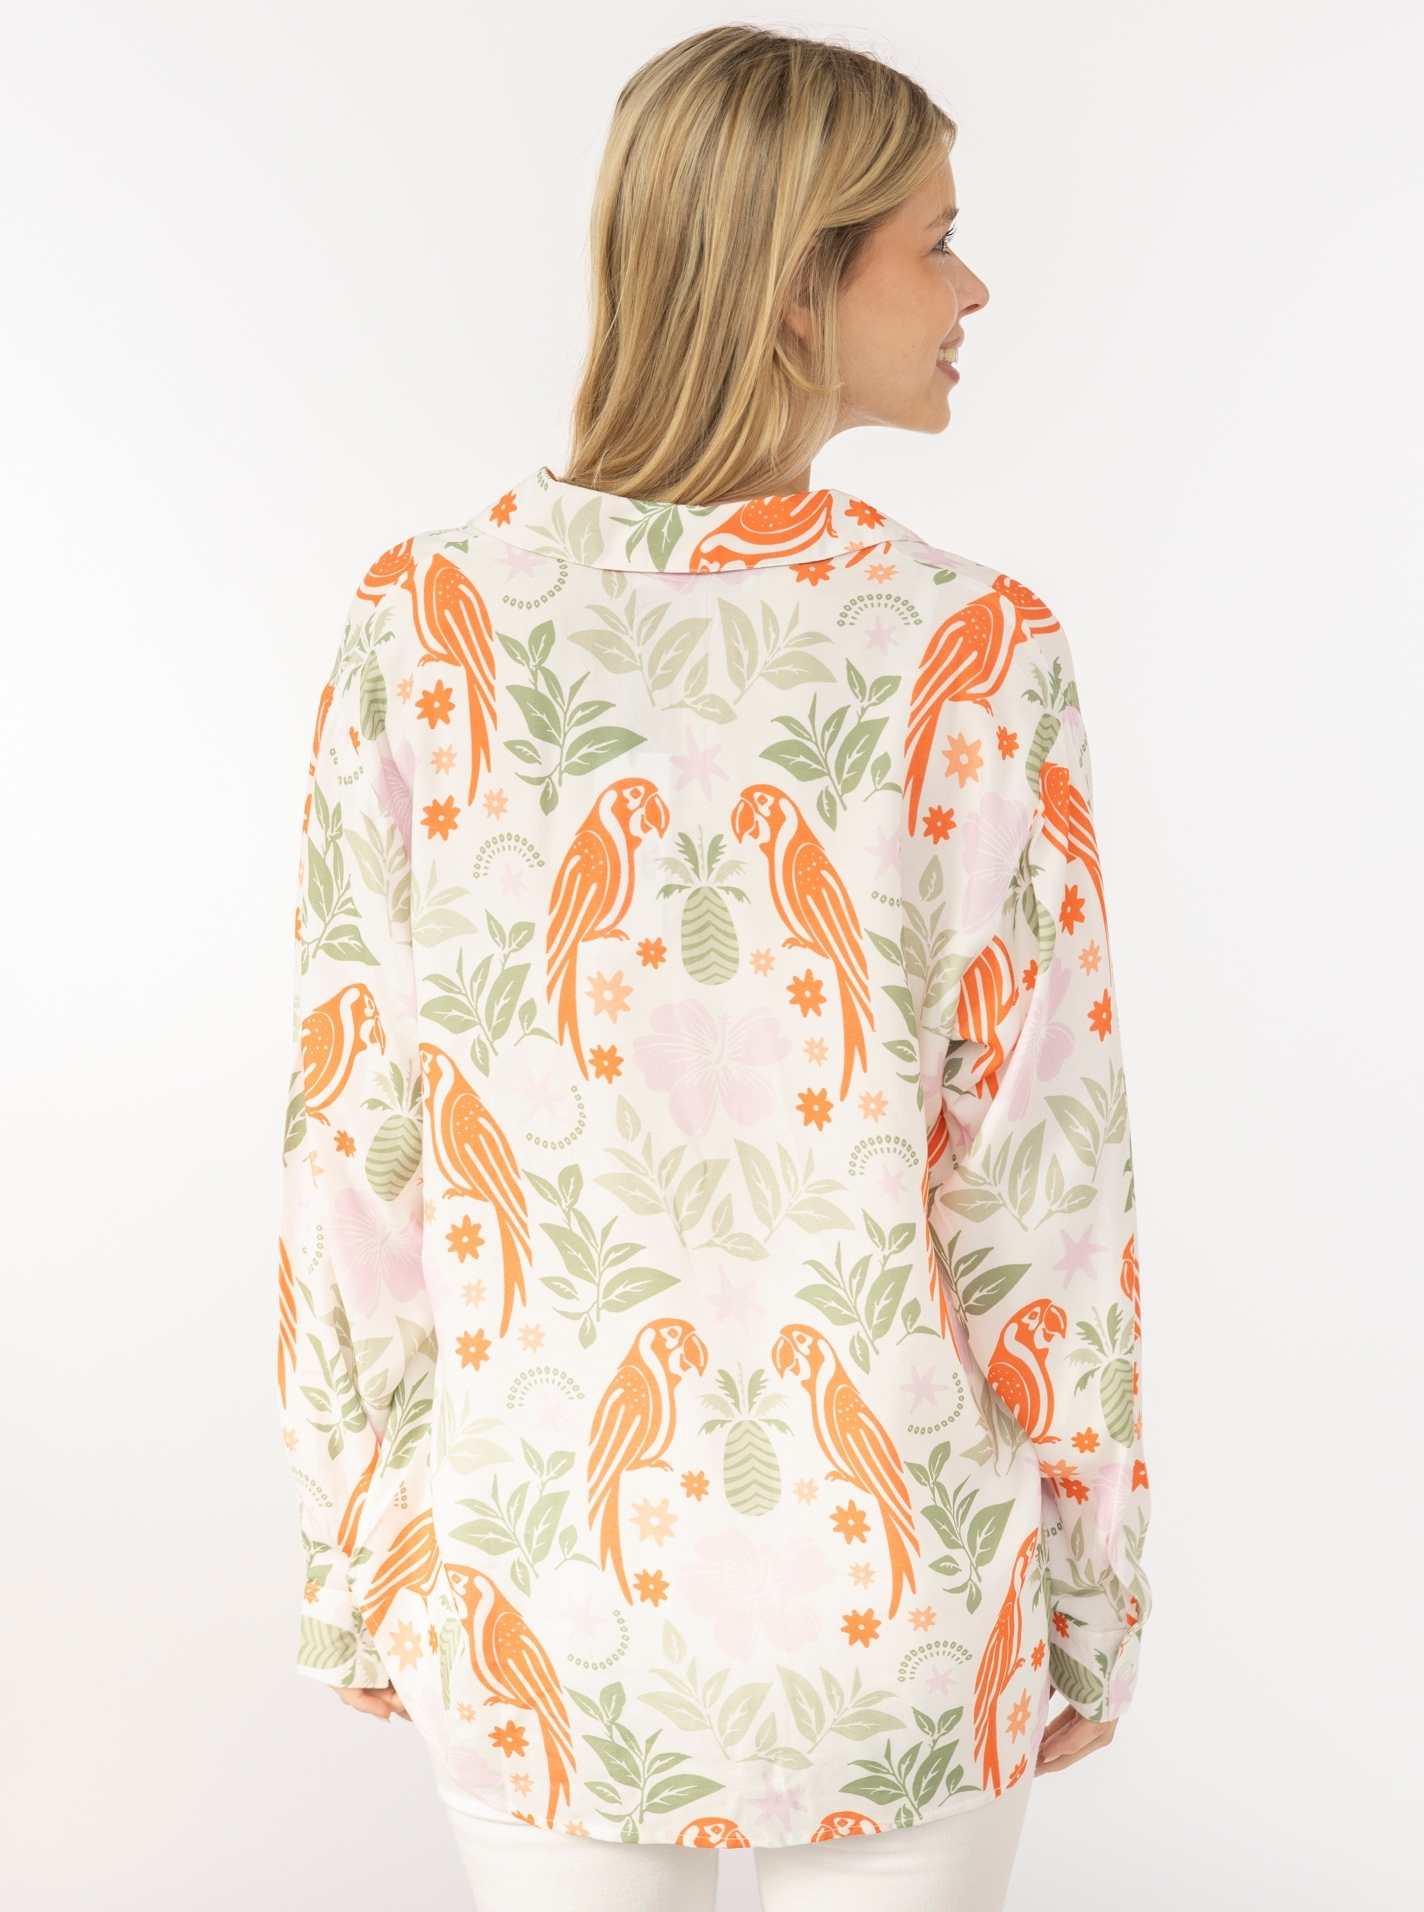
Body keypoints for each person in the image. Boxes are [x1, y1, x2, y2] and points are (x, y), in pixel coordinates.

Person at [274, 24, 1153, 1911]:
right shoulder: (974, 652)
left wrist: (358, 1542)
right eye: (934, 240)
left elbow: (360, 1138)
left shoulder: (428, 626)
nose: (975, 289)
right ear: (794, 281)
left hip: (537, 1597)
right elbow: (1040, 1175)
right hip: (905, 1598)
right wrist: (1089, 1582)